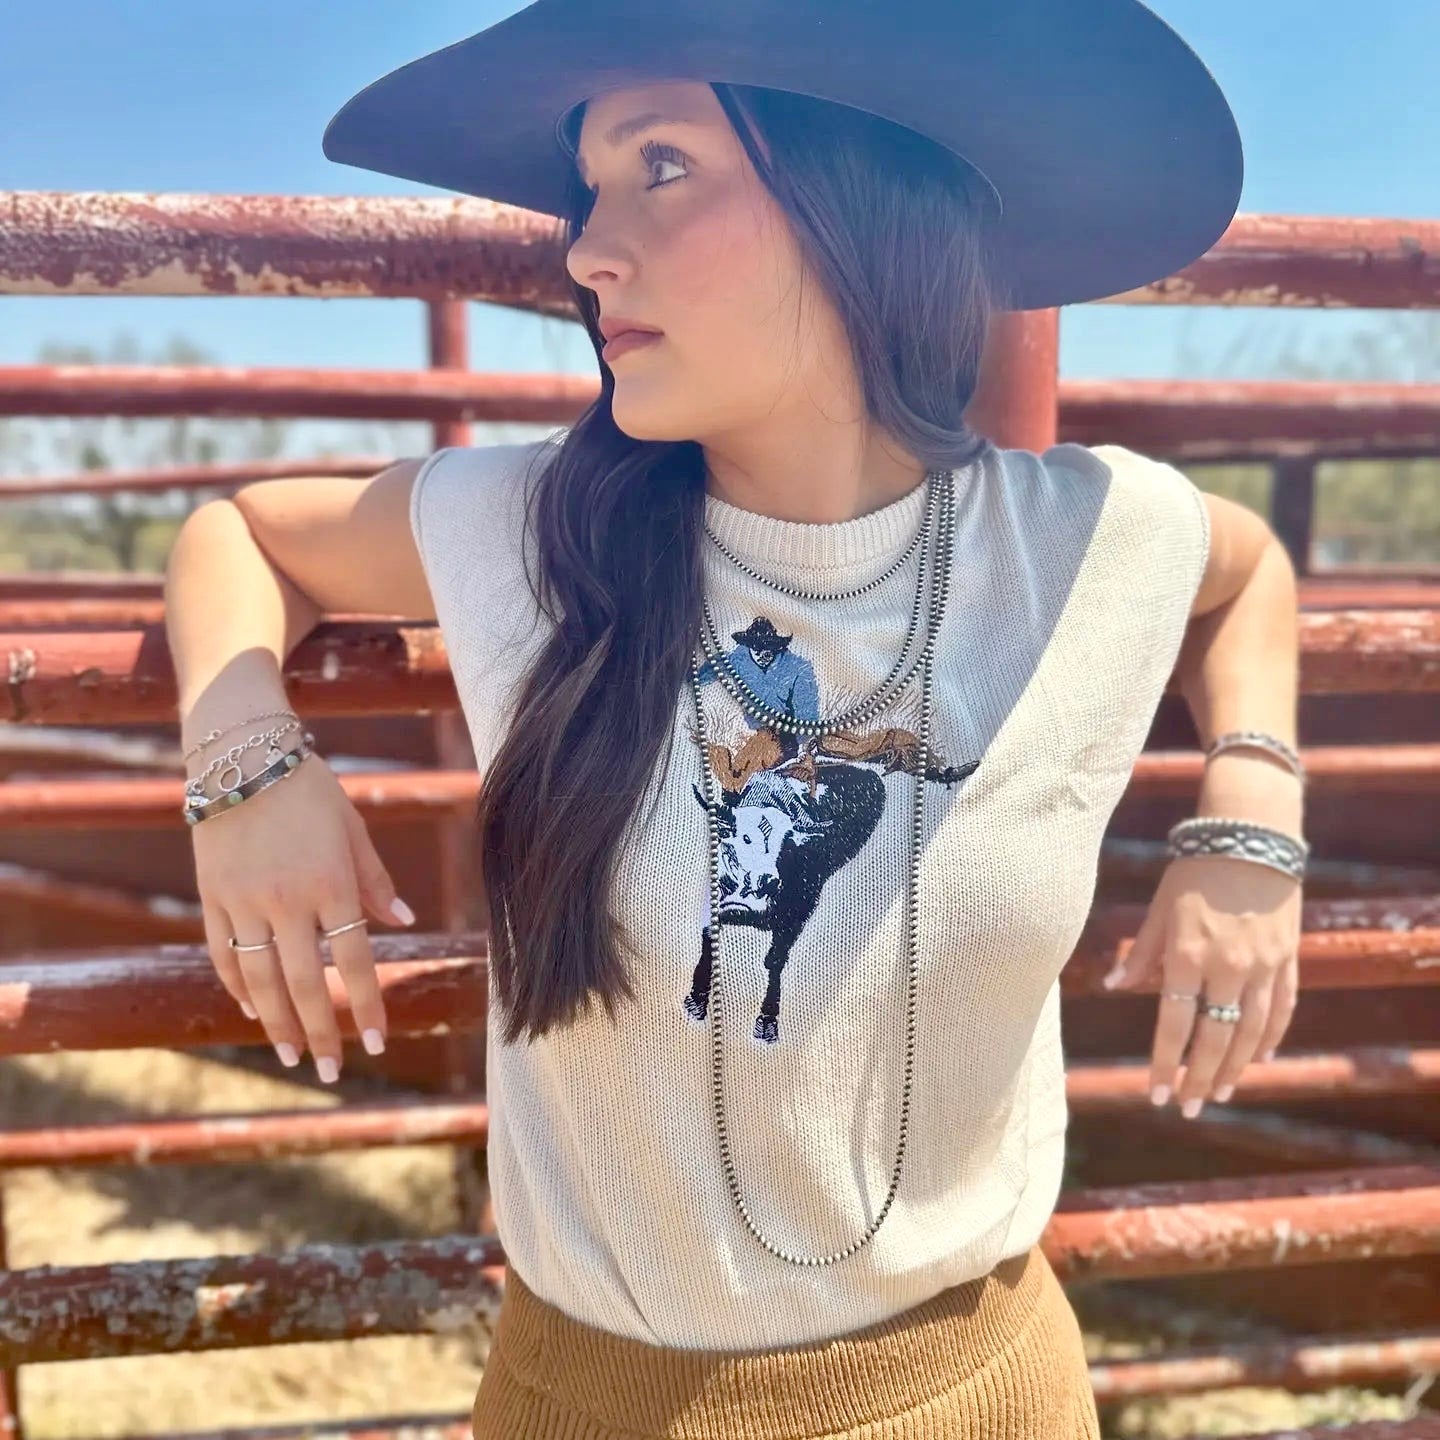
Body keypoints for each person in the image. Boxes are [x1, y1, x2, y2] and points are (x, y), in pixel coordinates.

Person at [167, 2, 1309, 1435]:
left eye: (660, 166)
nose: (586, 247)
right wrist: (248, 766)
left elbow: (1244, 573)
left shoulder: (1082, 537)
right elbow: (239, 534)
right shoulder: (533, 531)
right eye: (588, 185)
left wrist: (1251, 811)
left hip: (985, 1390)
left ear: (859, 193)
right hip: (593, 1400)